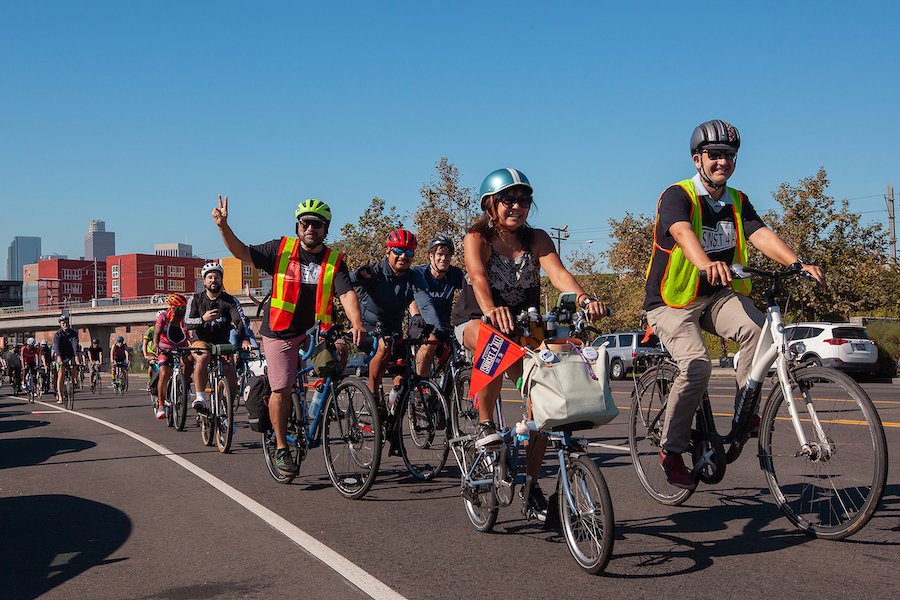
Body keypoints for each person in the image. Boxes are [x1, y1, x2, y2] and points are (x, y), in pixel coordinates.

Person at [644, 119, 825, 490]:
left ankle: (746, 410)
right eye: (714, 155)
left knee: (761, 331)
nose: (722, 162)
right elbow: (683, 232)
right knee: (696, 366)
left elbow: (760, 233)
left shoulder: (737, 201)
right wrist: (705, 263)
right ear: (698, 159)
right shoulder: (677, 196)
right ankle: (672, 449)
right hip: (671, 302)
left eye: (729, 155)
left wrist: (796, 263)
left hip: (714, 296)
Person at [450, 167, 608, 520]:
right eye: (508, 199)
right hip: (477, 321)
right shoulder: (477, 236)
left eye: (524, 199)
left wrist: (584, 299)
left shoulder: (536, 238)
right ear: (490, 204)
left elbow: (558, 274)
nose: (517, 206)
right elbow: (477, 276)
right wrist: (491, 309)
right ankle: (487, 425)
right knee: (491, 340)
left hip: (523, 329)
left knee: (544, 401)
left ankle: (530, 484)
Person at [213, 195, 365, 477]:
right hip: (280, 331)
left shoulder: (334, 261)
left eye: (317, 225)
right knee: (281, 389)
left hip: (316, 330)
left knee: (338, 359)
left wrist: (357, 321)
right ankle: (281, 448)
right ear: (298, 226)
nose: (310, 228)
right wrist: (223, 226)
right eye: (305, 223)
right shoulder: (280, 249)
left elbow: (346, 293)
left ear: (325, 228)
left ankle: (320, 403)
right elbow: (241, 252)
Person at [351, 228, 441, 403]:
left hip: (393, 330)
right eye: (398, 251)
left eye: (408, 252)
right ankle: (373, 397)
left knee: (405, 368)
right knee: (384, 347)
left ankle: (394, 407)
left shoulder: (414, 276)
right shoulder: (375, 271)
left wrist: (436, 329)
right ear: (388, 251)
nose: (403, 256)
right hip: (369, 328)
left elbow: (425, 303)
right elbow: (346, 283)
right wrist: (358, 275)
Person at [184, 261, 247, 413]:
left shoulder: (230, 301)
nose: (214, 280)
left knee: (231, 377)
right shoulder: (196, 299)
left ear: (221, 280)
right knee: (203, 356)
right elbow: (187, 322)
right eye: (210, 277)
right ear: (204, 281)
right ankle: (200, 397)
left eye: (217, 277)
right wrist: (203, 319)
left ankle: (227, 413)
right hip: (200, 340)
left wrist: (244, 339)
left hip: (222, 343)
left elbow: (239, 320)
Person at [411, 235, 465, 376]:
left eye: (448, 255)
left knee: (460, 352)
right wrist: (416, 316)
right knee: (431, 341)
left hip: (445, 325)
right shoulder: (418, 273)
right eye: (440, 254)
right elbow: (411, 299)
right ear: (431, 256)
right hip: (421, 324)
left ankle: (450, 389)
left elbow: (468, 294)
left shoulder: (455, 274)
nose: (444, 259)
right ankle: (420, 385)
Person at [154, 294, 193, 419]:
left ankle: (184, 385)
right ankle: (161, 405)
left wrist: (192, 345)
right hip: (165, 347)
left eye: (185, 307)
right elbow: (157, 332)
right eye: (181, 308)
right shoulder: (164, 316)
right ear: (173, 307)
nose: (184, 310)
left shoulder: (185, 319)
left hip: (181, 346)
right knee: (164, 374)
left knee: (190, 360)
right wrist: (156, 345)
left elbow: (190, 334)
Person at [53, 314, 80, 404]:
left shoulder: (73, 333)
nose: (65, 325)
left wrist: (76, 357)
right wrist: (59, 358)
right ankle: (60, 397)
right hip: (61, 355)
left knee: (74, 366)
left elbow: (75, 345)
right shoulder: (58, 335)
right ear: (60, 324)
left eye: (66, 323)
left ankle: (73, 380)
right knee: (61, 374)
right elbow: (56, 347)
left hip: (71, 354)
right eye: (63, 323)